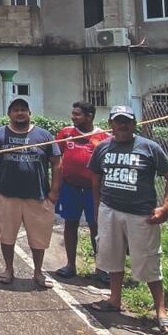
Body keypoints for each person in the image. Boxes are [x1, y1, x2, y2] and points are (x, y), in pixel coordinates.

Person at [89, 105, 168, 335]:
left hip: (141, 214)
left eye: (127, 121)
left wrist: (167, 206)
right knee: (112, 257)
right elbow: (95, 178)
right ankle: (114, 299)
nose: (122, 125)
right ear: (111, 124)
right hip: (110, 210)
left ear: (134, 124)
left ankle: (161, 311)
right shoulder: (102, 148)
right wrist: (98, 207)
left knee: (148, 261)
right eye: (118, 121)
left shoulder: (149, 147)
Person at [0, 98, 62, 288]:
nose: (20, 113)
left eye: (23, 110)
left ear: (29, 113)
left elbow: (57, 163)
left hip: (38, 195)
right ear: (9, 114)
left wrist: (54, 192)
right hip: (6, 195)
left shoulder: (44, 135)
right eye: (16, 110)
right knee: (6, 235)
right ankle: (8, 269)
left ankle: (38, 272)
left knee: (38, 238)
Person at [54, 101, 112, 282]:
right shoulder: (66, 134)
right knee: (70, 224)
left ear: (89, 116)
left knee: (96, 226)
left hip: (94, 191)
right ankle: (70, 265)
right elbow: (56, 159)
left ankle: (101, 268)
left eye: (77, 114)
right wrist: (55, 186)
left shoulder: (104, 137)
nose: (73, 117)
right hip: (70, 187)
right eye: (73, 114)